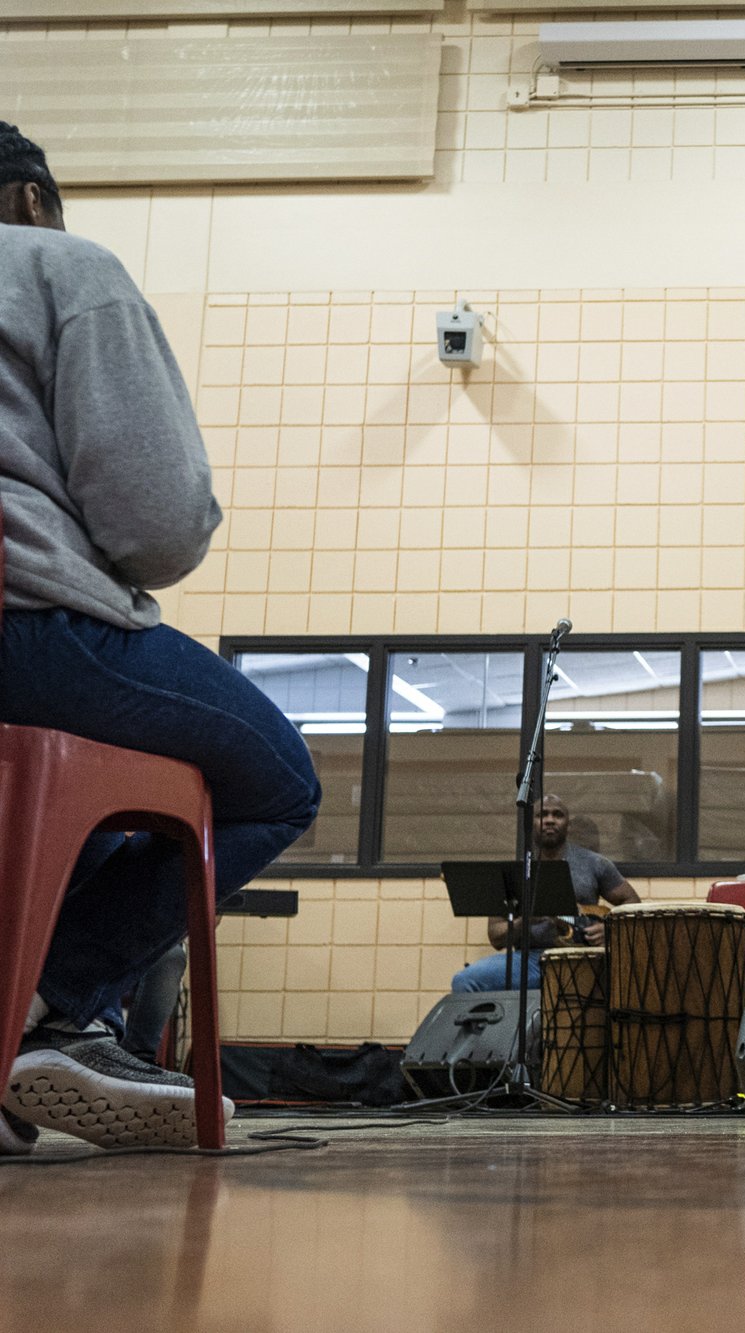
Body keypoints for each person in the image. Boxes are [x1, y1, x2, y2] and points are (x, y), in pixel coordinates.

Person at [0, 123, 322, 1153]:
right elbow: (156, 518)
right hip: (31, 630)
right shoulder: (60, 264)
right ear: (33, 201)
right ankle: (53, 1005)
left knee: (85, 806)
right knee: (275, 778)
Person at [450, 794, 640, 993]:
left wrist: (610, 930)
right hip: (529, 959)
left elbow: (633, 902)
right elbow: (496, 936)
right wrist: (525, 921)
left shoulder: (595, 863)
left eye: (557, 815)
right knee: (465, 981)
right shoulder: (515, 871)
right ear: (531, 822)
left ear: (567, 824)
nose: (550, 820)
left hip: (581, 959)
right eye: (542, 815)